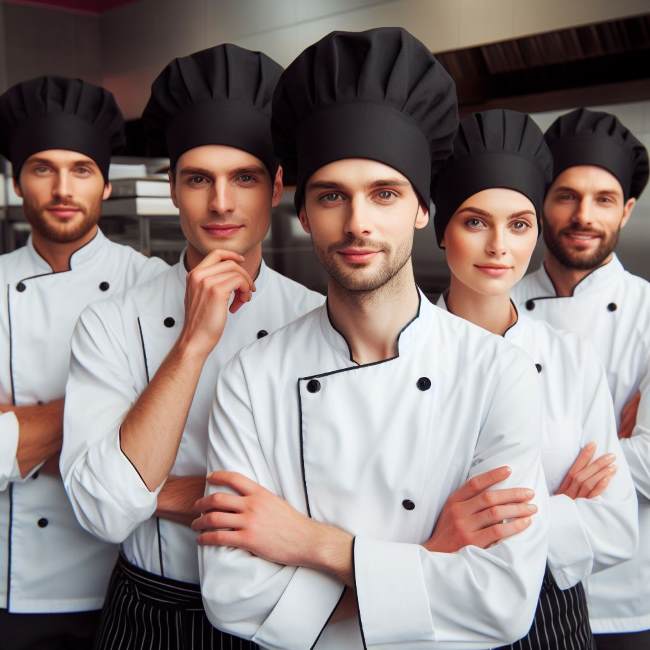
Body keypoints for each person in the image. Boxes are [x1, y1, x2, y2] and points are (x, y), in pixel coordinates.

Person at [195, 28, 548, 649]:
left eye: (384, 194)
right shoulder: (252, 378)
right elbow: (233, 595)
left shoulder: (497, 373)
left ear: (420, 209)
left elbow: (501, 602)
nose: (358, 223)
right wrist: (430, 558)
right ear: (303, 215)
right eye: (332, 196)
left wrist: (313, 544)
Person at [60, 44, 323, 650]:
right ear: (173, 189)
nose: (222, 203)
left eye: (245, 179)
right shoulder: (111, 323)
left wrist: (156, 491)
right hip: (150, 608)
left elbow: (337, 502)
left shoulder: (318, 318)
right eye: (199, 179)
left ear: (278, 187)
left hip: (288, 607)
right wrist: (191, 347)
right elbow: (101, 511)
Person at [431, 108, 639, 649]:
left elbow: (616, 529)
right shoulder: (397, 351)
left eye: (519, 225)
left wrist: (472, 521)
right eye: (475, 221)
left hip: (557, 619)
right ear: (440, 228)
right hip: (436, 612)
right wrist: (559, 502)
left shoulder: (570, 357)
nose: (500, 246)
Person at [0, 75, 167, 649]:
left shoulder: (154, 285)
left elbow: (183, 430)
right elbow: (149, 433)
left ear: (103, 182)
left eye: (81, 169)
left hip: (125, 587)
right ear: (17, 181)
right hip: (8, 588)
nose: (62, 188)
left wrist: (18, 428)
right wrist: (114, 420)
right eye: (42, 168)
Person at [513, 108, 650, 649]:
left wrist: (536, 464)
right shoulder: (495, 305)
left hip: (631, 597)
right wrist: (609, 445)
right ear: (543, 201)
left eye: (604, 199)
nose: (583, 215)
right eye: (567, 195)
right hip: (522, 588)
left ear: (628, 210)